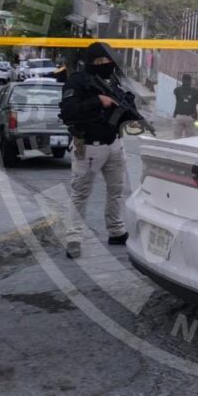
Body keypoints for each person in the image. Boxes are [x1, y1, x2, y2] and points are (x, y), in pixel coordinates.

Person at [58, 42, 128, 259]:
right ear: (94, 61)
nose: (108, 64)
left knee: (116, 190)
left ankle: (116, 231)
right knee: (80, 194)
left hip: (114, 144)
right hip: (89, 146)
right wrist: (97, 100)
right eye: (104, 61)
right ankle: (74, 239)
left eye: (110, 61)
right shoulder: (77, 81)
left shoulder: (112, 80)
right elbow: (68, 112)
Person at [173, 74, 198, 139]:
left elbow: (176, 93)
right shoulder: (195, 91)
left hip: (179, 116)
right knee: (190, 138)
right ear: (190, 81)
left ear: (182, 80)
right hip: (190, 117)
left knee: (176, 137)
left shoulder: (177, 90)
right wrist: (194, 99)